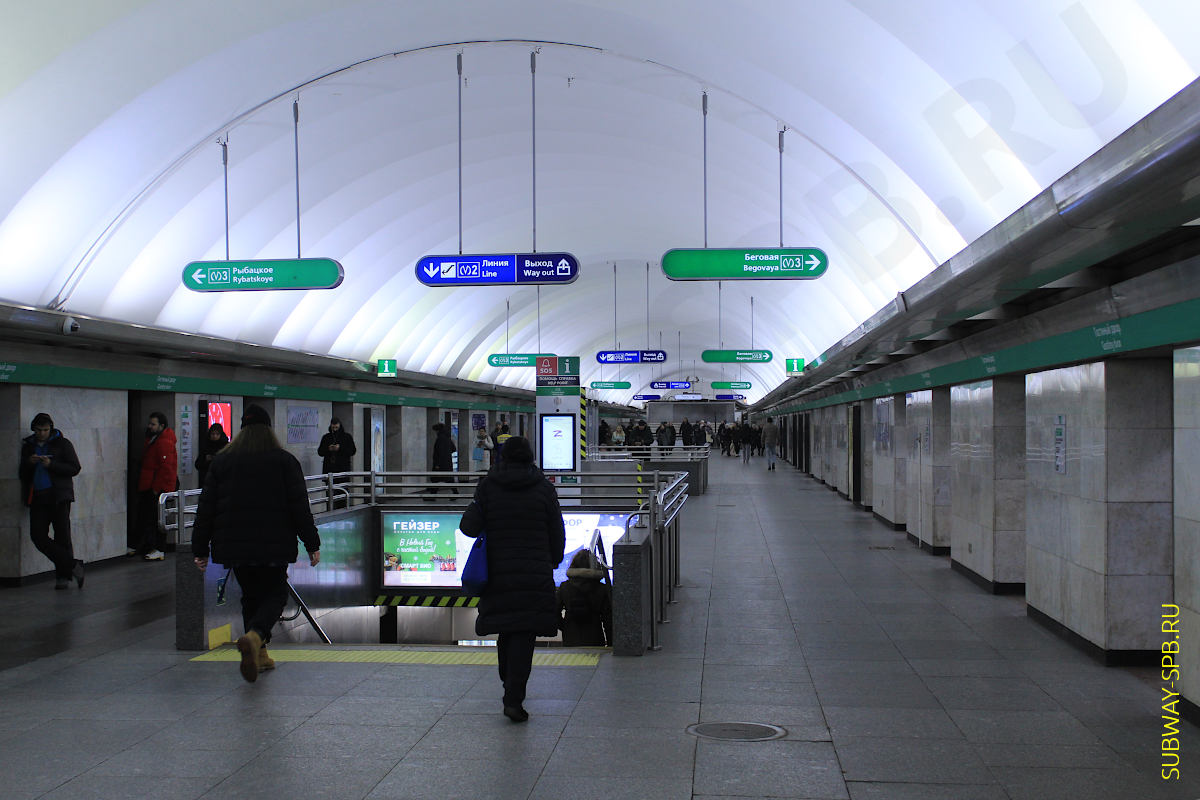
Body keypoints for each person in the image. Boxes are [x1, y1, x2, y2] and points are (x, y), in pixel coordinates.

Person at [192, 404, 321, 683]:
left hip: (234, 546)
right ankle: (255, 636)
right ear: (269, 429)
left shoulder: (222, 462)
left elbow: (206, 509)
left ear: (241, 430)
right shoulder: (285, 462)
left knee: (250, 596)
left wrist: (200, 549)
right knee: (275, 594)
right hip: (274, 544)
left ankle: (259, 654)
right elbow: (300, 507)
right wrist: (312, 543)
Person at [458, 436, 565, 723]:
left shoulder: (488, 487)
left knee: (506, 630)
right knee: (524, 634)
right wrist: (553, 560)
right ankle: (514, 697)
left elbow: (468, 527)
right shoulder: (544, 488)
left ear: (502, 457)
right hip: (534, 571)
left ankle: (509, 684)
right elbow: (557, 530)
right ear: (530, 457)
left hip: (498, 571)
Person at [19, 413, 84, 589]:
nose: (42, 433)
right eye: (39, 430)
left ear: (51, 429)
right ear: (34, 429)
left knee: (62, 535)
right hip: (38, 497)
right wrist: (29, 463)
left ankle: (63, 577)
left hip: (59, 497)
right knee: (38, 536)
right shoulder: (29, 446)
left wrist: (52, 465)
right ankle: (72, 565)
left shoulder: (63, 444)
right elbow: (22, 474)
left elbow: (74, 467)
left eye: (45, 430)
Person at [133, 411, 177, 561]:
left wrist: (156, 488)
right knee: (148, 517)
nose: (149, 426)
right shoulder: (153, 439)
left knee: (156, 518)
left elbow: (165, 467)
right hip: (149, 484)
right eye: (149, 423)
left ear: (161, 426)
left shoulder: (163, 442)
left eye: (153, 424)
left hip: (158, 487)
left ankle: (159, 548)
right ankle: (148, 545)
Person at [557, 550, 612, 647]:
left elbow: (554, 612)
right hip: (595, 637)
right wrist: (612, 644)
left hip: (570, 637)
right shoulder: (602, 589)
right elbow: (609, 621)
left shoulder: (564, 587)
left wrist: (565, 626)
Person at [194, 423, 229, 488]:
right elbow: (198, 464)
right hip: (208, 479)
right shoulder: (206, 446)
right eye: (213, 434)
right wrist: (206, 460)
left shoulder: (225, 446)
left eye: (217, 434)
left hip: (221, 480)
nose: (215, 436)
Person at [428, 422, 456, 496]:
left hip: (440, 464)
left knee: (435, 479)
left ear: (438, 430)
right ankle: (455, 493)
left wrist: (437, 464)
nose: (435, 432)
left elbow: (439, 453)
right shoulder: (448, 438)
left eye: (435, 431)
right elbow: (454, 449)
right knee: (448, 479)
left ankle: (432, 496)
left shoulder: (439, 439)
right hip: (448, 463)